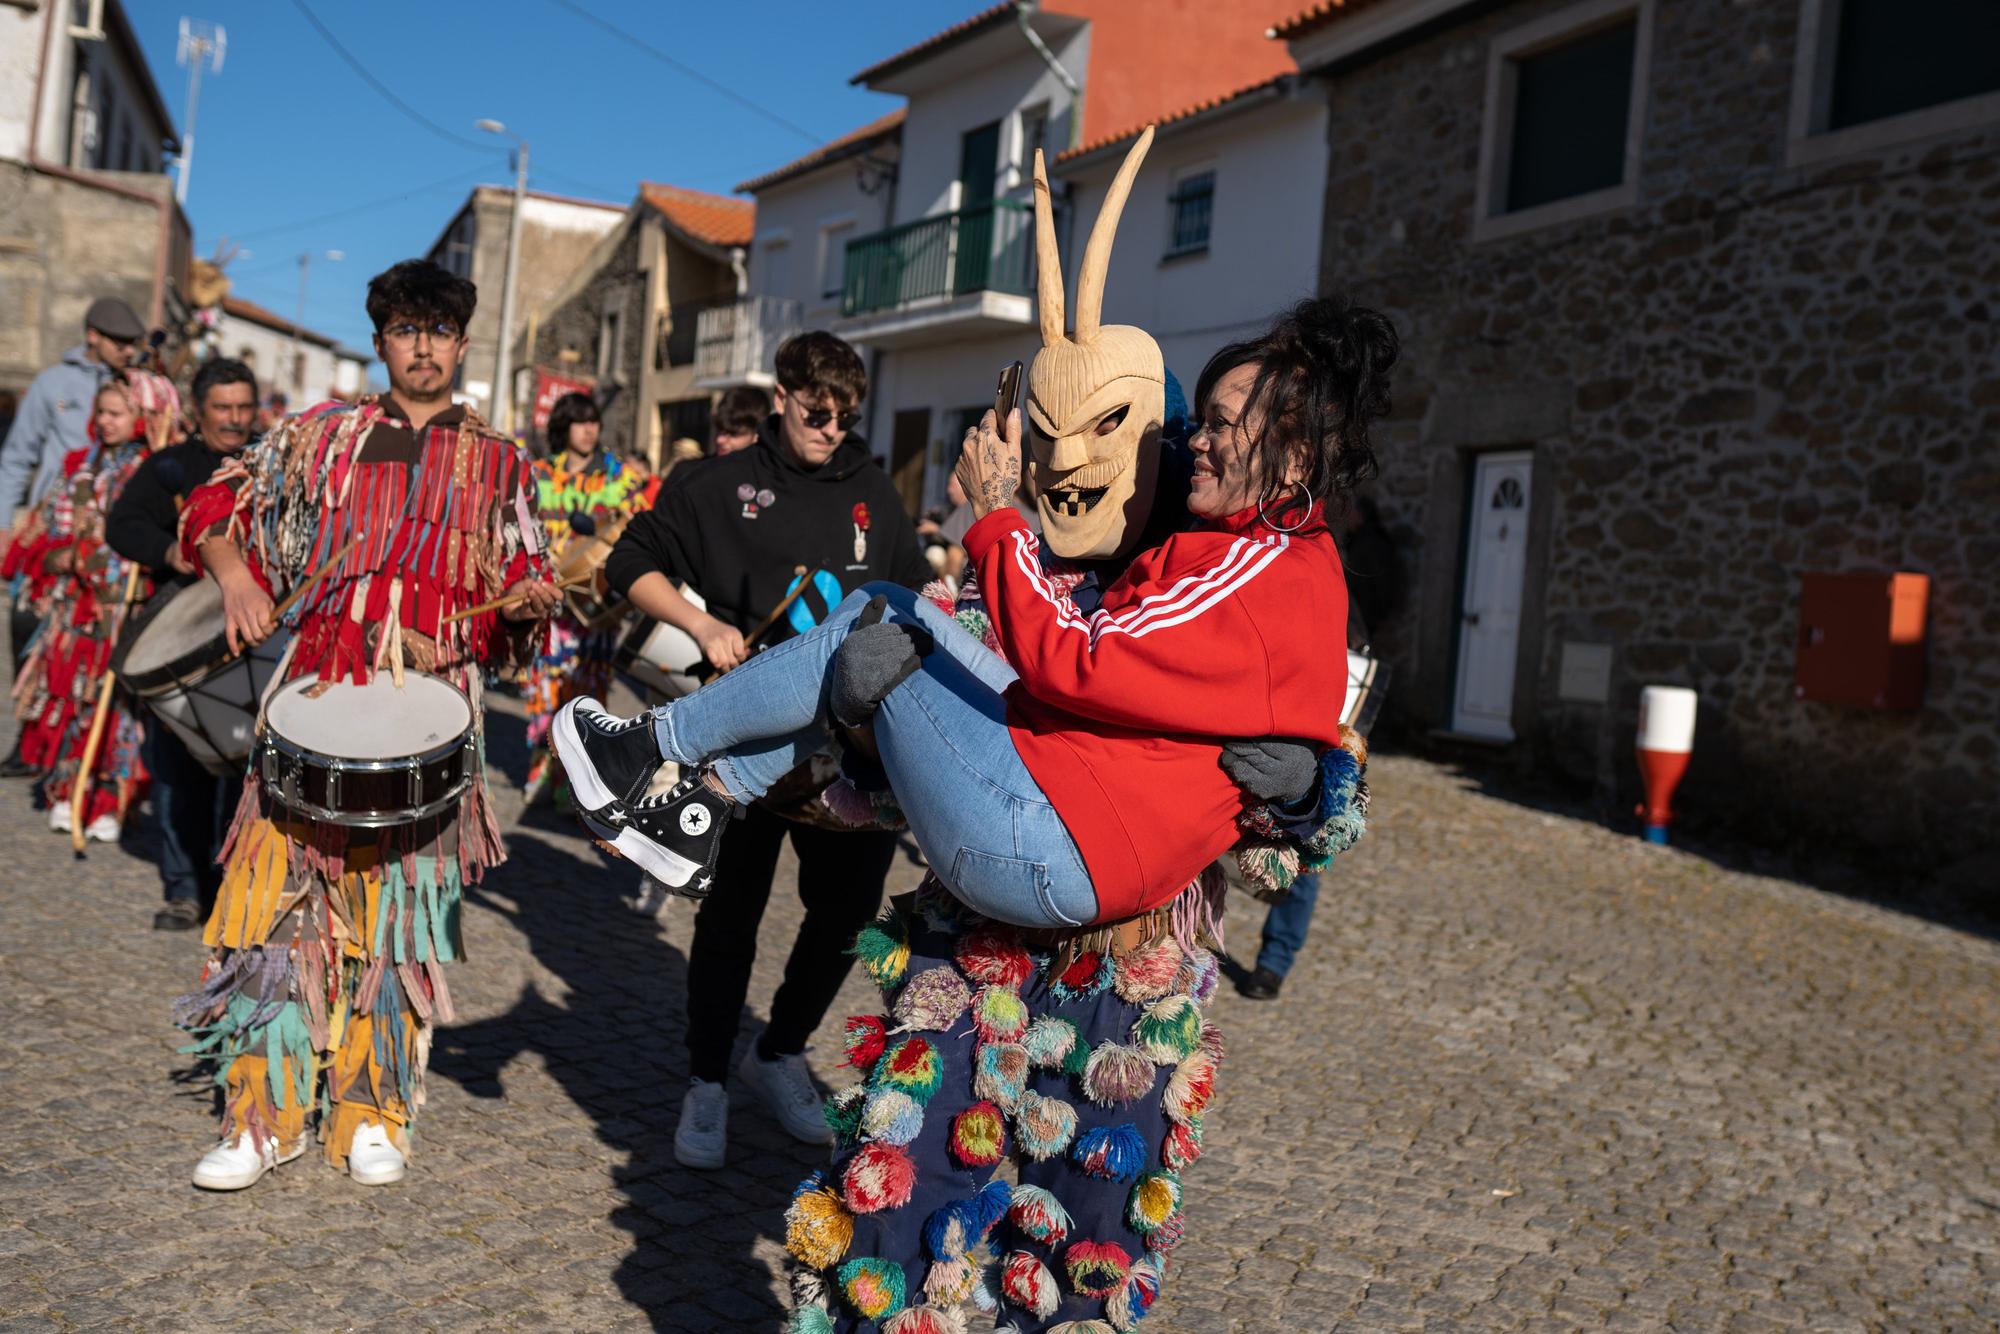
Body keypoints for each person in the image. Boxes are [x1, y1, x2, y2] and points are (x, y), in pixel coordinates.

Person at [571, 133, 1378, 1333]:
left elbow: (1302, 783)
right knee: (901, 1215)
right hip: (974, 945)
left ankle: (679, 769)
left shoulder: (1216, 570)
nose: (1070, 466)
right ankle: (691, 783)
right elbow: (900, 758)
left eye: (1116, 434)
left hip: (1129, 962)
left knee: (1078, 1240)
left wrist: (1311, 790)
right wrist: (855, 720)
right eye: (1043, 441)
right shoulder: (1060, 573)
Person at [170, 259, 556, 1192]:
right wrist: (235, 575)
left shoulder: (502, 462)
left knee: (398, 924)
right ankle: (262, 1117)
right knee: (270, 914)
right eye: (404, 329)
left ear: (462, 344)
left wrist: (523, 604)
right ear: (380, 340)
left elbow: (518, 605)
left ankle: (371, 1110)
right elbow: (213, 506)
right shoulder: (322, 436)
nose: (422, 346)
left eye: (439, 330)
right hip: (316, 695)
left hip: (429, 714)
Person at [596, 331, 929, 1170]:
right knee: (729, 917)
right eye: (816, 412)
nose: (831, 428)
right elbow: (627, 563)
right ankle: (706, 1080)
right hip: (738, 743)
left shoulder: (873, 492)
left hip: (848, 757)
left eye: (846, 416)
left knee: (848, 917)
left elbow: (918, 594)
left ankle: (777, 1052)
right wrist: (702, 626)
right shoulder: (715, 484)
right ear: (779, 396)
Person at [105, 357, 259, 930]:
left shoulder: (268, 460)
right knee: (177, 772)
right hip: (184, 633)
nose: (235, 419)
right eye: (223, 408)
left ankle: (236, 886)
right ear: (199, 411)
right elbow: (121, 525)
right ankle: (185, 889)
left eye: (244, 407)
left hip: (253, 636)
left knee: (248, 778)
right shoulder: (169, 466)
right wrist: (169, 551)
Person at [6, 372, 175, 841]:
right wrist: (61, 555)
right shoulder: (79, 465)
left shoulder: (152, 469)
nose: (104, 422)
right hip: (77, 609)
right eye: (100, 412)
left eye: (115, 413)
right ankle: (67, 790)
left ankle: (109, 798)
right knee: (68, 698)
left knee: (120, 706)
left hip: (124, 608)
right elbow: (46, 527)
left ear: (141, 417)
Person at [0, 297, 145, 778]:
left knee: (101, 648)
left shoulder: (139, 386)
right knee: (29, 631)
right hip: (56, 533)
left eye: (131, 342)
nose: (127, 350)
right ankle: (30, 736)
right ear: (92, 336)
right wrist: (5, 526)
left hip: (110, 545)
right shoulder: (52, 385)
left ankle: (94, 754)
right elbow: (18, 456)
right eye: (118, 341)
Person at [521, 391, 657, 805]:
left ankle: (576, 786)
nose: (589, 429)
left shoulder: (616, 478)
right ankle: (541, 773)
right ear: (564, 427)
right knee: (545, 686)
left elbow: (642, 520)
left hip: (596, 608)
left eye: (594, 421)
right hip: (549, 602)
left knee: (586, 695)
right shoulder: (540, 475)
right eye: (581, 421)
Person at [711, 383, 770, 457]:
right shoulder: (702, 467)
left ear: (757, 435)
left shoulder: (774, 467)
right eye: (719, 430)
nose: (719, 440)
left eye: (733, 434)